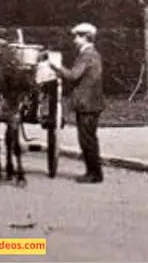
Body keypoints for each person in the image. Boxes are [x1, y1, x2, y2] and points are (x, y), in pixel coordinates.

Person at [49, 22, 105, 184]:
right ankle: (93, 172)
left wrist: (56, 67)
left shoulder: (87, 55)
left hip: (87, 103)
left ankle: (94, 174)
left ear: (86, 37)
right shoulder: (90, 53)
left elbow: (73, 75)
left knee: (87, 140)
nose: (74, 40)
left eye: (77, 36)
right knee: (88, 139)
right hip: (90, 102)